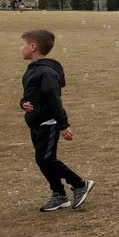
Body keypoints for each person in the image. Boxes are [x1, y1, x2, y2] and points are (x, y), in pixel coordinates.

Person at [19, 29, 95, 212]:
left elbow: (54, 99)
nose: (20, 48)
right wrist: (23, 104)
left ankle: (79, 184)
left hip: (49, 122)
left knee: (46, 159)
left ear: (33, 46)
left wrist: (62, 125)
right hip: (36, 121)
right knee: (43, 159)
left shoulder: (46, 72)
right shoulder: (34, 69)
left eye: (22, 44)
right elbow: (29, 96)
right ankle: (59, 195)